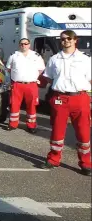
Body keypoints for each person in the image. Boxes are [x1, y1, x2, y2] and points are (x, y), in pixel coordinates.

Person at [39, 30, 91, 176]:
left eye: (69, 38)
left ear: (75, 40)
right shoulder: (54, 59)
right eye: (62, 39)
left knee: (83, 132)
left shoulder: (85, 60)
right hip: (60, 98)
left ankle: (86, 164)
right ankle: (53, 159)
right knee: (57, 131)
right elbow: (48, 77)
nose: (66, 41)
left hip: (80, 98)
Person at [4, 38, 45, 133]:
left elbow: (41, 69)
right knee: (14, 104)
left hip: (31, 84)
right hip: (17, 84)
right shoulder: (14, 55)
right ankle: (13, 124)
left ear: (29, 45)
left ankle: (31, 125)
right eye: (22, 44)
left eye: (26, 44)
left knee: (31, 105)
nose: (24, 45)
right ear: (19, 45)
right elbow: (9, 69)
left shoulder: (36, 56)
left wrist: (33, 77)